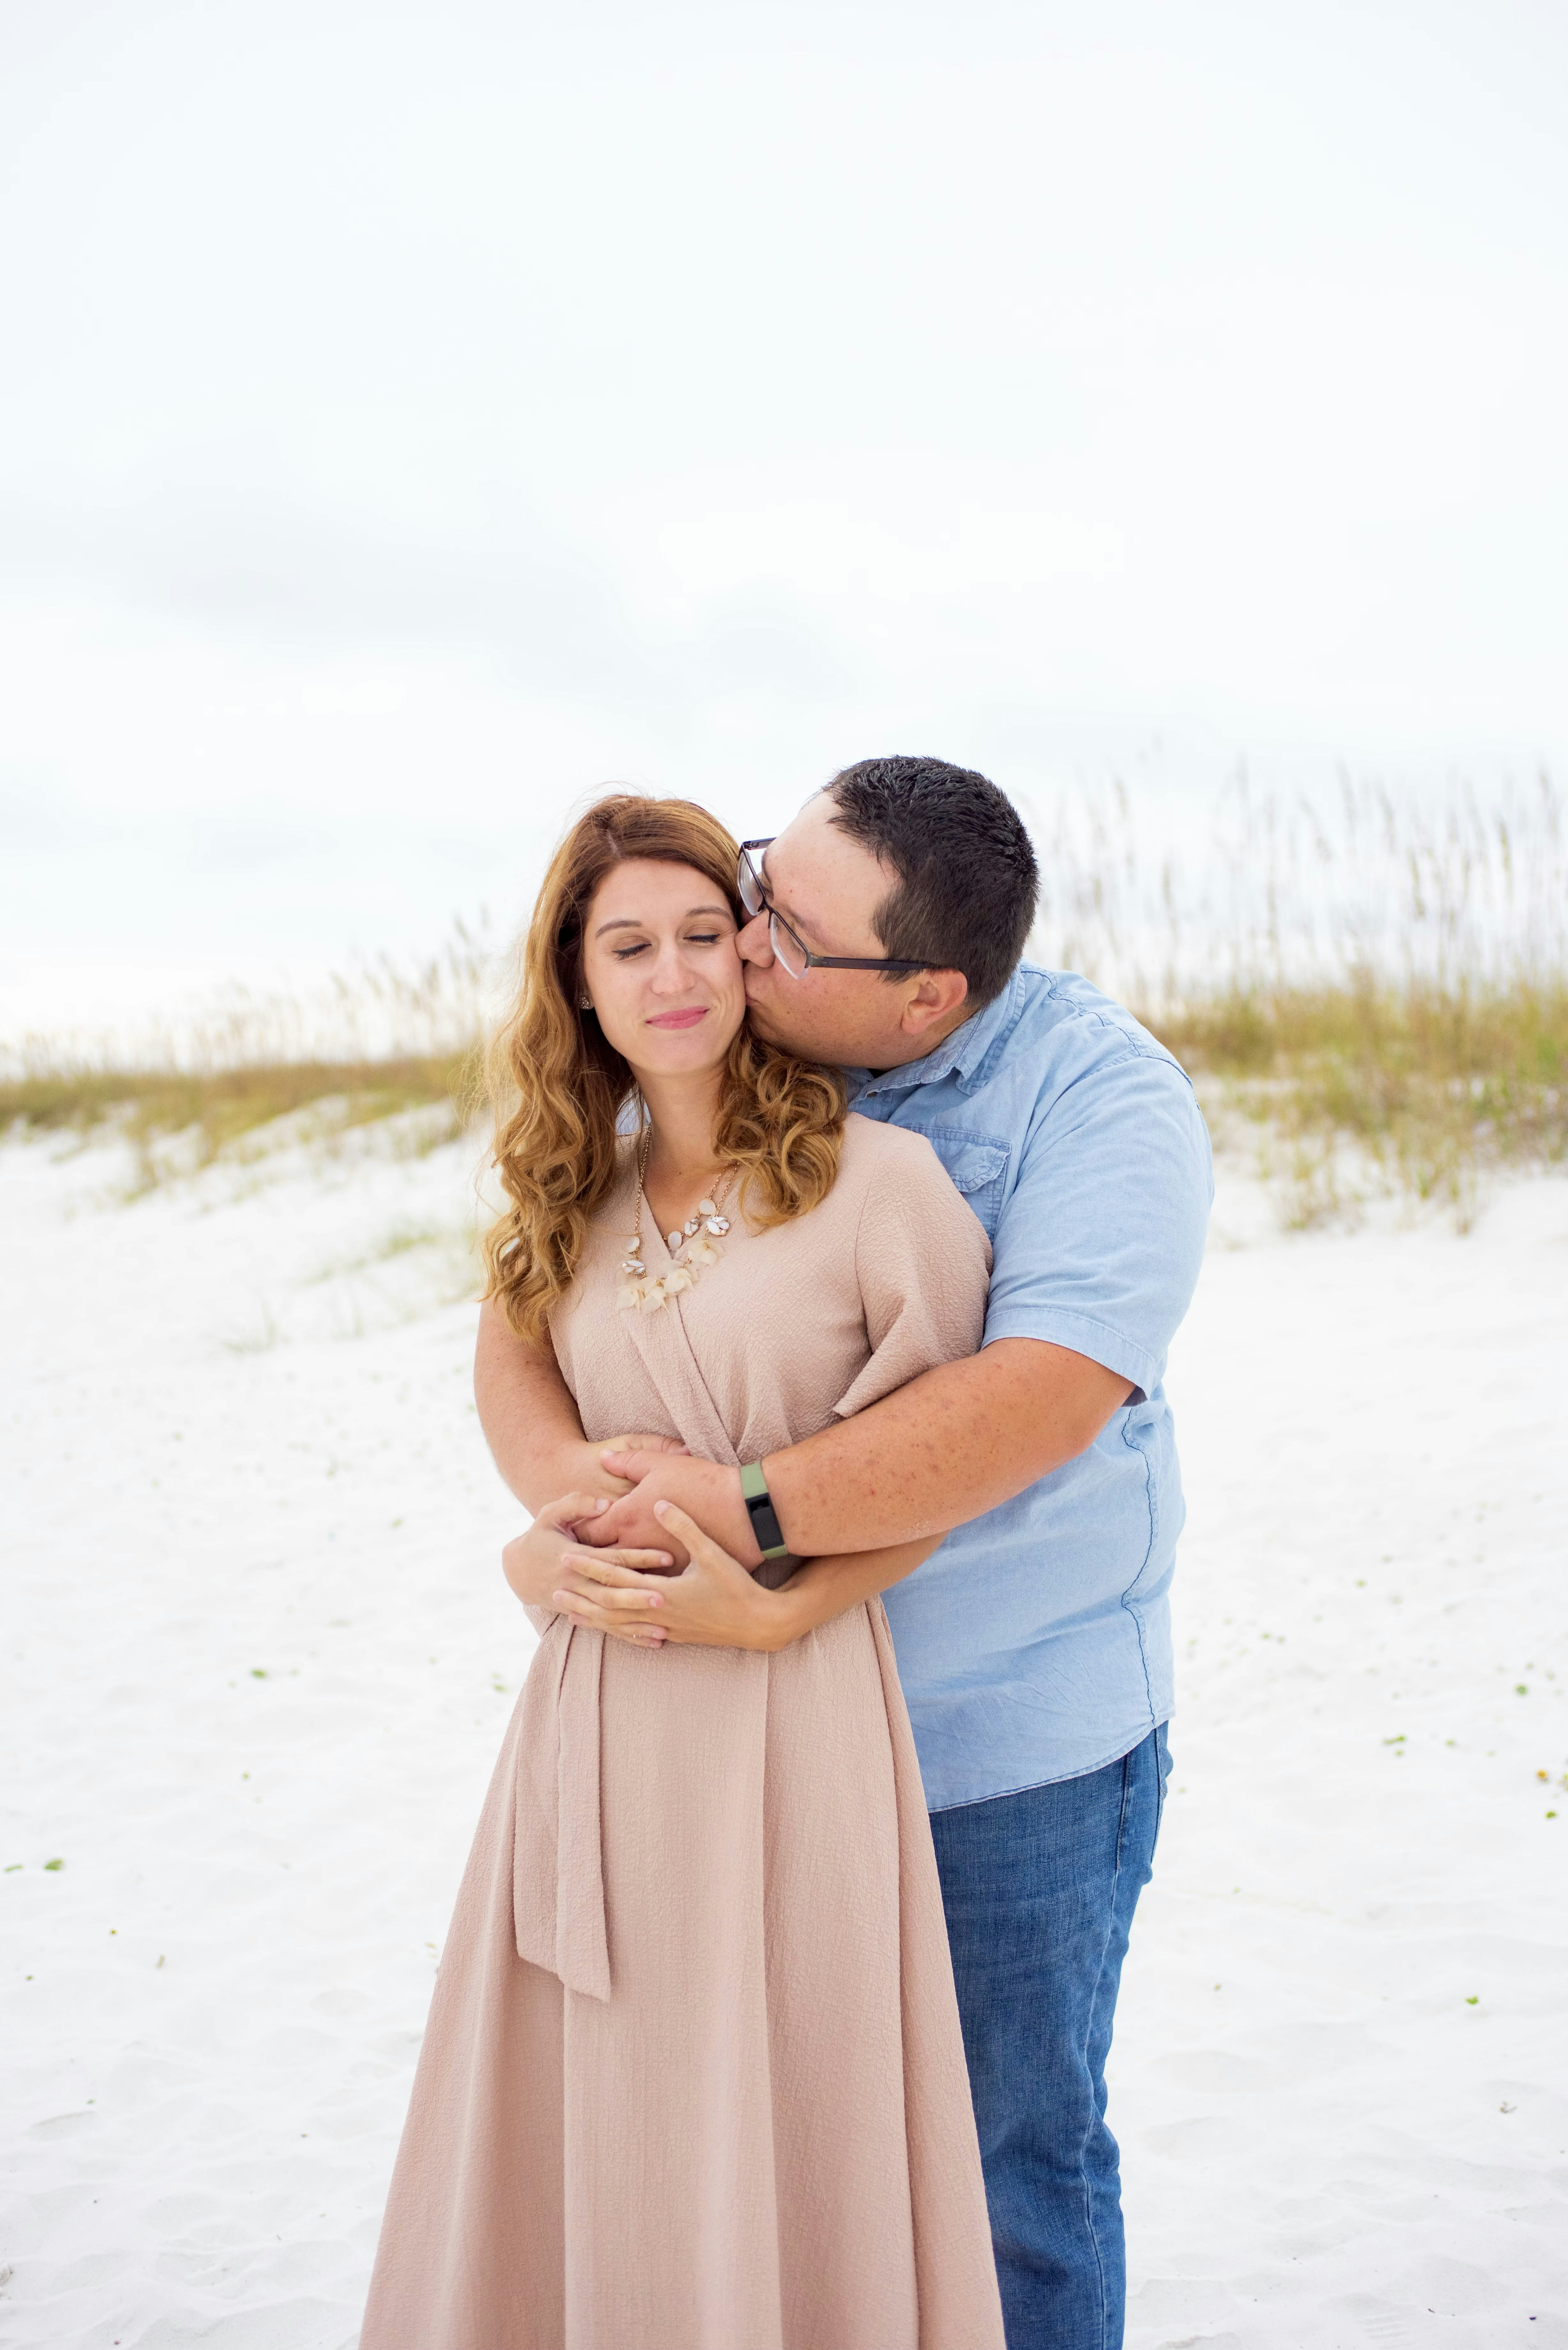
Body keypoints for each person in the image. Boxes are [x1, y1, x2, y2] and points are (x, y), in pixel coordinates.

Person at [479, 755, 1214, 2350]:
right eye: (759, 886)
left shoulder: (1097, 1102)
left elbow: (1036, 1399)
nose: (739, 946)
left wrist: (722, 1510)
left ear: (926, 997)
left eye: (779, 937)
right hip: (747, 1751)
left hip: (997, 1737)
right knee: (777, 2168)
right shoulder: (723, 1043)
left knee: (1006, 2170)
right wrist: (551, 1519)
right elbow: (536, 1302)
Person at [360, 793, 1007, 2350]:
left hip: (794, 1706)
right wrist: (540, 1537)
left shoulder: (882, 1185)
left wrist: (788, 1598)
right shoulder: (567, 1202)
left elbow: (949, 1472)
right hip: (590, 1709)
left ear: (752, 949)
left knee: (785, 2091)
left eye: (705, 934)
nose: (673, 975)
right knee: (603, 2105)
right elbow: (522, 1405)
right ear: (577, 980)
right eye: (626, 945)